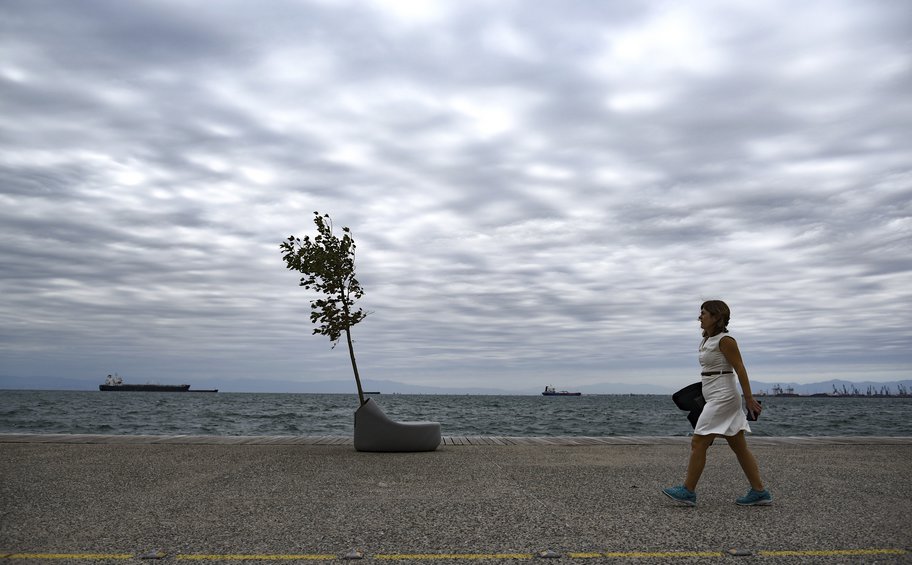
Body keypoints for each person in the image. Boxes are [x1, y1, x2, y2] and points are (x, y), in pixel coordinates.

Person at [663, 300, 772, 506]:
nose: (700, 317)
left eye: (703, 313)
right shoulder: (706, 341)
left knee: (699, 441)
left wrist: (749, 398)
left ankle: (688, 491)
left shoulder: (726, 340)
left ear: (716, 317)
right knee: (738, 445)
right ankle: (759, 491)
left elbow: (740, 368)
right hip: (713, 393)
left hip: (724, 396)